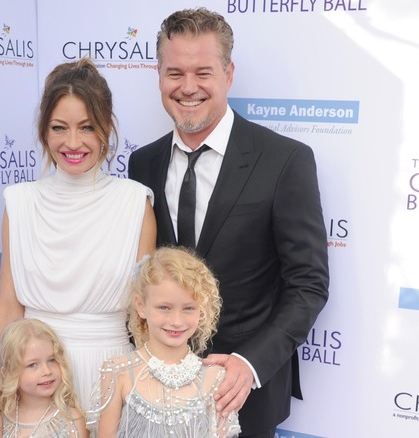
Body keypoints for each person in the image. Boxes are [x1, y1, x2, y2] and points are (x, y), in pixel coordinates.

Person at [128, 8, 329, 437]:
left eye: (203, 72)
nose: (187, 87)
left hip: (243, 393)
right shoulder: (142, 163)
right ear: (159, 75)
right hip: (159, 386)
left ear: (229, 73)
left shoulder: (285, 161)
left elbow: (308, 284)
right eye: (174, 72)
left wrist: (249, 363)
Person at [0, 57, 157, 437]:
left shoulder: (135, 203)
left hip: (112, 378)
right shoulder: (19, 204)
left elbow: (144, 321)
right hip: (33, 383)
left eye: (87, 127)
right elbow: (9, 307)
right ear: (44, 132)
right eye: (59, 128)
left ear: (106, 127)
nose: (72, 143)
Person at [86, 247, 241, 438]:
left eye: (188, 308)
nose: (176, 321)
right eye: (164, 308)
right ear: (141, 306)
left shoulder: (216, 377)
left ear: (202, 309)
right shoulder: (118, 372)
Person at [0, 319, 88, 438]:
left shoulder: (73, 420)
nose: (47, 371)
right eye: (32, 365)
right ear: (8, 371)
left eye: (51, 360)